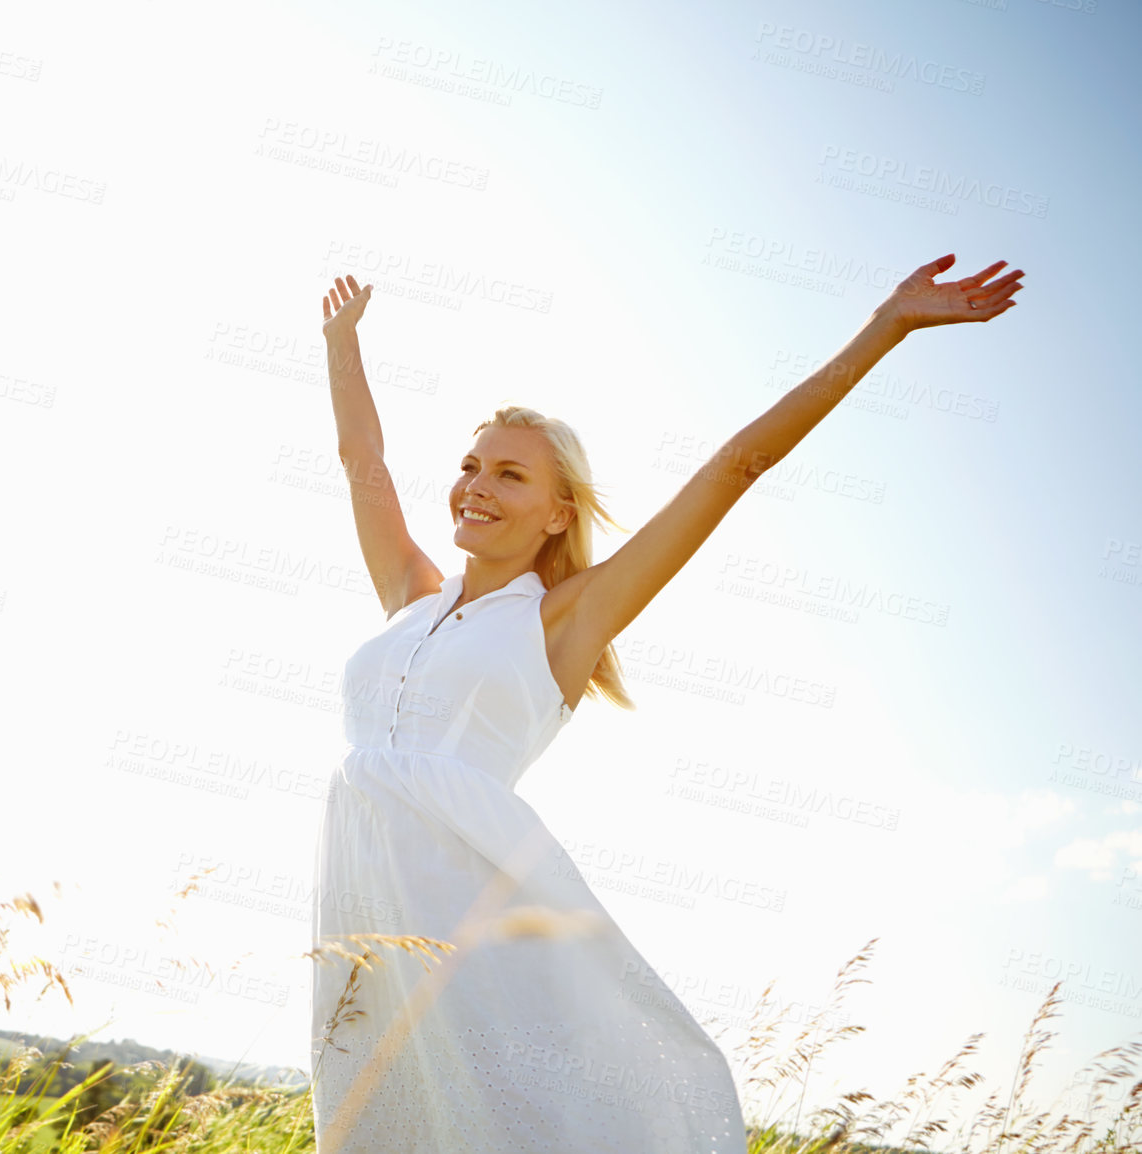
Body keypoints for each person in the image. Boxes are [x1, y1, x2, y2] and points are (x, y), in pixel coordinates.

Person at [307, 256, 1024, 1153]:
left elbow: (738, 465)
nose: (477, 486)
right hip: (361, 907)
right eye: (471, 466)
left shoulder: (566, 619)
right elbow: (360, 459)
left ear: (558, 515)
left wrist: (885, 326)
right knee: (364, 1124)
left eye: (510, 476)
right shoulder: (409, 595)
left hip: (474, 919)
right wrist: (342, 342)